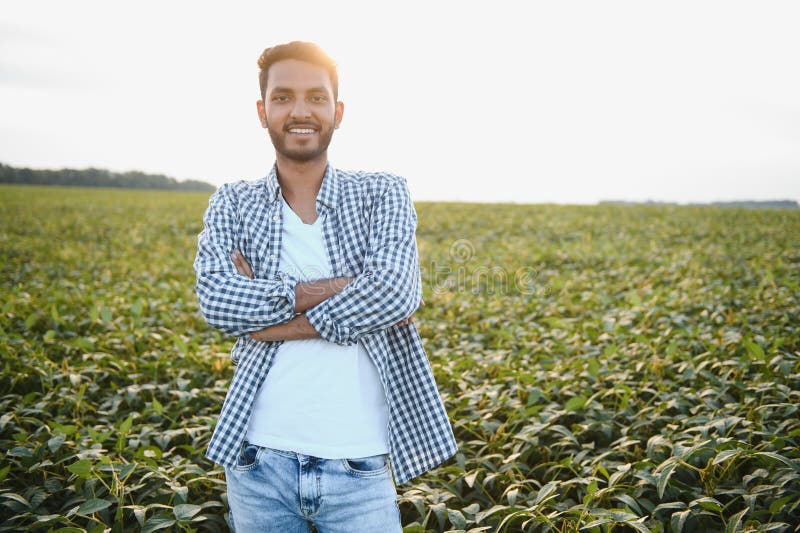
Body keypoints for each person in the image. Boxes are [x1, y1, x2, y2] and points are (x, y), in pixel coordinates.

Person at [193, 41, 457, 532]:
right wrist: (350, 290)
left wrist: (273, 324)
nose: (299, 111)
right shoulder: (232, 202)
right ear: (262, 110)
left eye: (316, 98)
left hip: (358, 464)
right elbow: (217, 302)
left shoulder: (382, 192)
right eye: (283, 96)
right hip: (255, 460)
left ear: (337, 111)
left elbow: (397, 293)